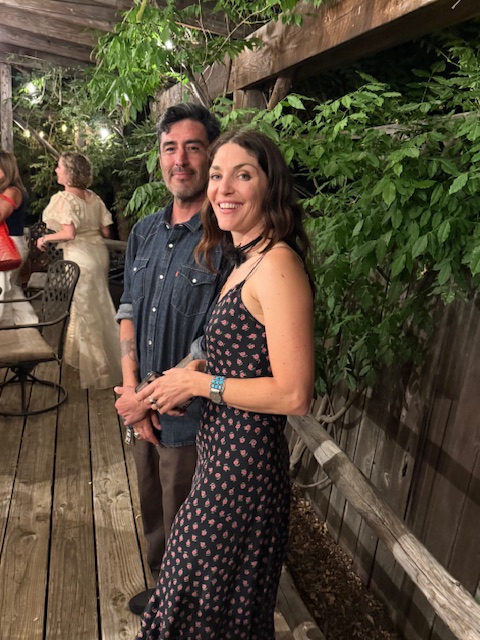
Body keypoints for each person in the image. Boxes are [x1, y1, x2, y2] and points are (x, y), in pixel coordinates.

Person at [134, 128, 315, 639]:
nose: (224, 189)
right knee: (210, 606)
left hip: (244, 470)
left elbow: (295, 394)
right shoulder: (244, 260)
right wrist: (184, 376)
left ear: (270, 185)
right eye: (217, 176)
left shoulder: (277, 266)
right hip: (221, 457)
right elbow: (242, 356)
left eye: (243, 175)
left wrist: (201, 386)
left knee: (198, 605)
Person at [113, 103, 223, 615]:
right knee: (152, 504)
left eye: (193, 148)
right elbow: (128, 308)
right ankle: (165, 593)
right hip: (143, 406)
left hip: (190, 416)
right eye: (169, 148)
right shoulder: (144, 231)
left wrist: (147, 399)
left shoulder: (224, 240)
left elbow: (213, 340)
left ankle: (185, 608)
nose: (180, 160)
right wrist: (133, 390)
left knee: (188, 517)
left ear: (211, 156)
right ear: (159, 157)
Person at [38, 151, 121, 389]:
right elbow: (106, 231)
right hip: (99, 254)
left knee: (87, 309)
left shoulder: (64, 198)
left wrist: (45, 239)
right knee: (98, 304)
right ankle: (79, 357)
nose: (56, 170)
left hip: (80, 257)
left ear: (69, 173)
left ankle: (101, 366)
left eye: (59, 167)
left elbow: (69, 233)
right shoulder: (94, 198)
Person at [0, 150, 38, 326]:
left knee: (2, 287)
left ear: (5, 169)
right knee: (10, 288)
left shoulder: (12, 191)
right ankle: (28, 323)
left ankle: (4, 327)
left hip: (10, 245)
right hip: (10, 244)